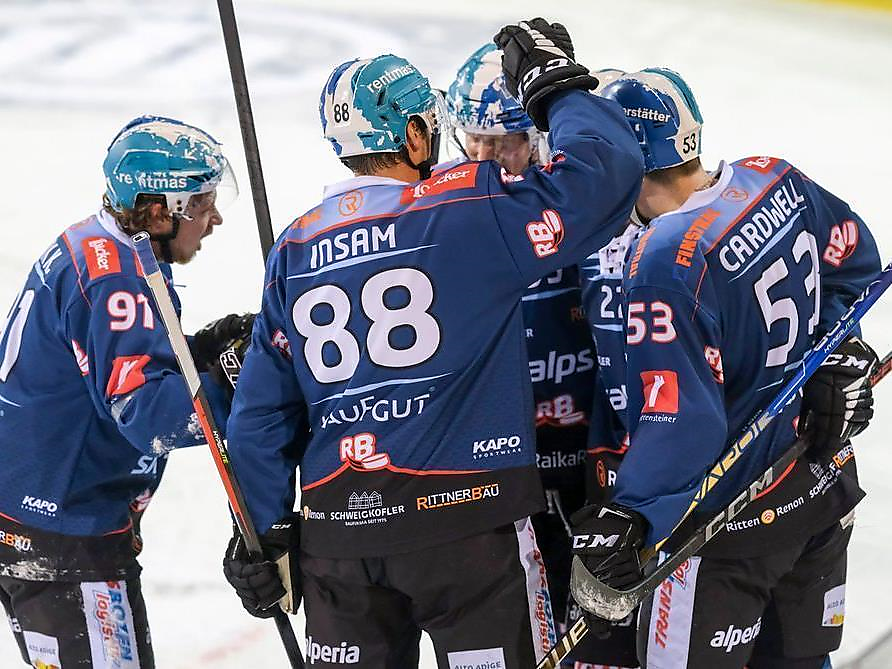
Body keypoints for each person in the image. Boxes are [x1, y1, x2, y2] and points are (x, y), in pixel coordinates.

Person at [222, 19, 644, 668]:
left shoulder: (296, 245)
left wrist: (261, 529)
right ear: (415, 134)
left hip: (340, 539)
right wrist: (555, 85)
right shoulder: (464, 210)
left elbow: (260, 414)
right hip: (470, 528)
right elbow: (605, 174)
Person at [569, 69, 880, 669]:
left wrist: (631, 515)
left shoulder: (663, 260)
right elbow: (855, 262)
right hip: (817, 487)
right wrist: (841, 356)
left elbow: (682, 420)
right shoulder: (774, 178)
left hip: (723, 528)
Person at [0, 115, 251, 668]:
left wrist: (199, 351)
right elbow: (146, 417)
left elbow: (102, 366)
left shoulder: (97, 244)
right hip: (65, 530)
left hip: (35, 516)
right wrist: (238, 386)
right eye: (202, 202)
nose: (214, 218)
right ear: (159, 209)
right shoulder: (118, 281)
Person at [446, 39, 596, 648]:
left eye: (503, 142)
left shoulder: (592, 205)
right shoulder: (437, 216)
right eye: (472, 140)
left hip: (597, 461)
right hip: (498, 478)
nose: (485, 160)